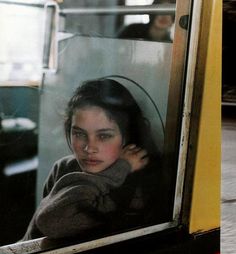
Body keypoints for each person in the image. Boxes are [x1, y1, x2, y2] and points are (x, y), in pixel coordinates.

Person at [22, 78, 161, 241]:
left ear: (127, 137)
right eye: (79, 134)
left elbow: (52, 222)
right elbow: (32, 236)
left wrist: (119, 169)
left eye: (104, 136)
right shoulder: (64, 167)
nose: (89, 148)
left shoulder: (136, 188)